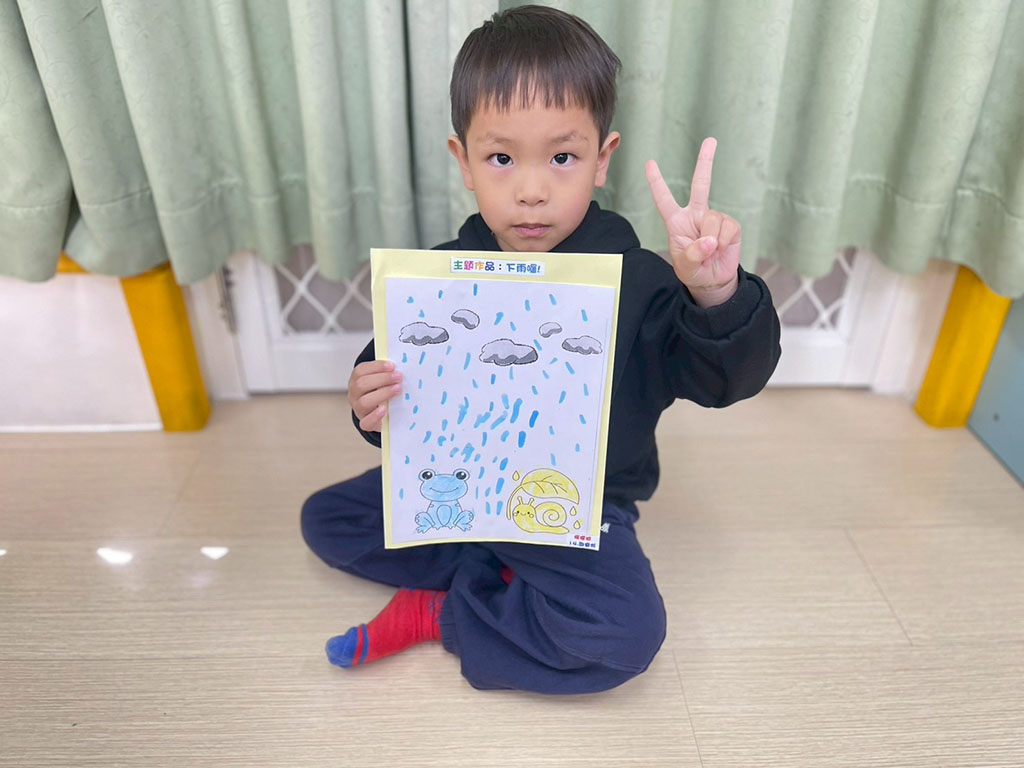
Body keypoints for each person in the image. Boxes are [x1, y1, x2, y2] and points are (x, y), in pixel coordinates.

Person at [301, 4, 781, 694]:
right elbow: (398, 401)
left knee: (624, 636)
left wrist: (715, 292)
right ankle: (499, 572)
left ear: (601, 160)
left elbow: (725, 378)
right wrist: (367, 401)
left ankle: (446, 612)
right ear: (464, 162)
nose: (532, 191)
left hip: (574, 509)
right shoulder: (439, 277)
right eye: (501, 158)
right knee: (327, 519)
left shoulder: (643, 280)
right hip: (458, 492)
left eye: (562, 157)